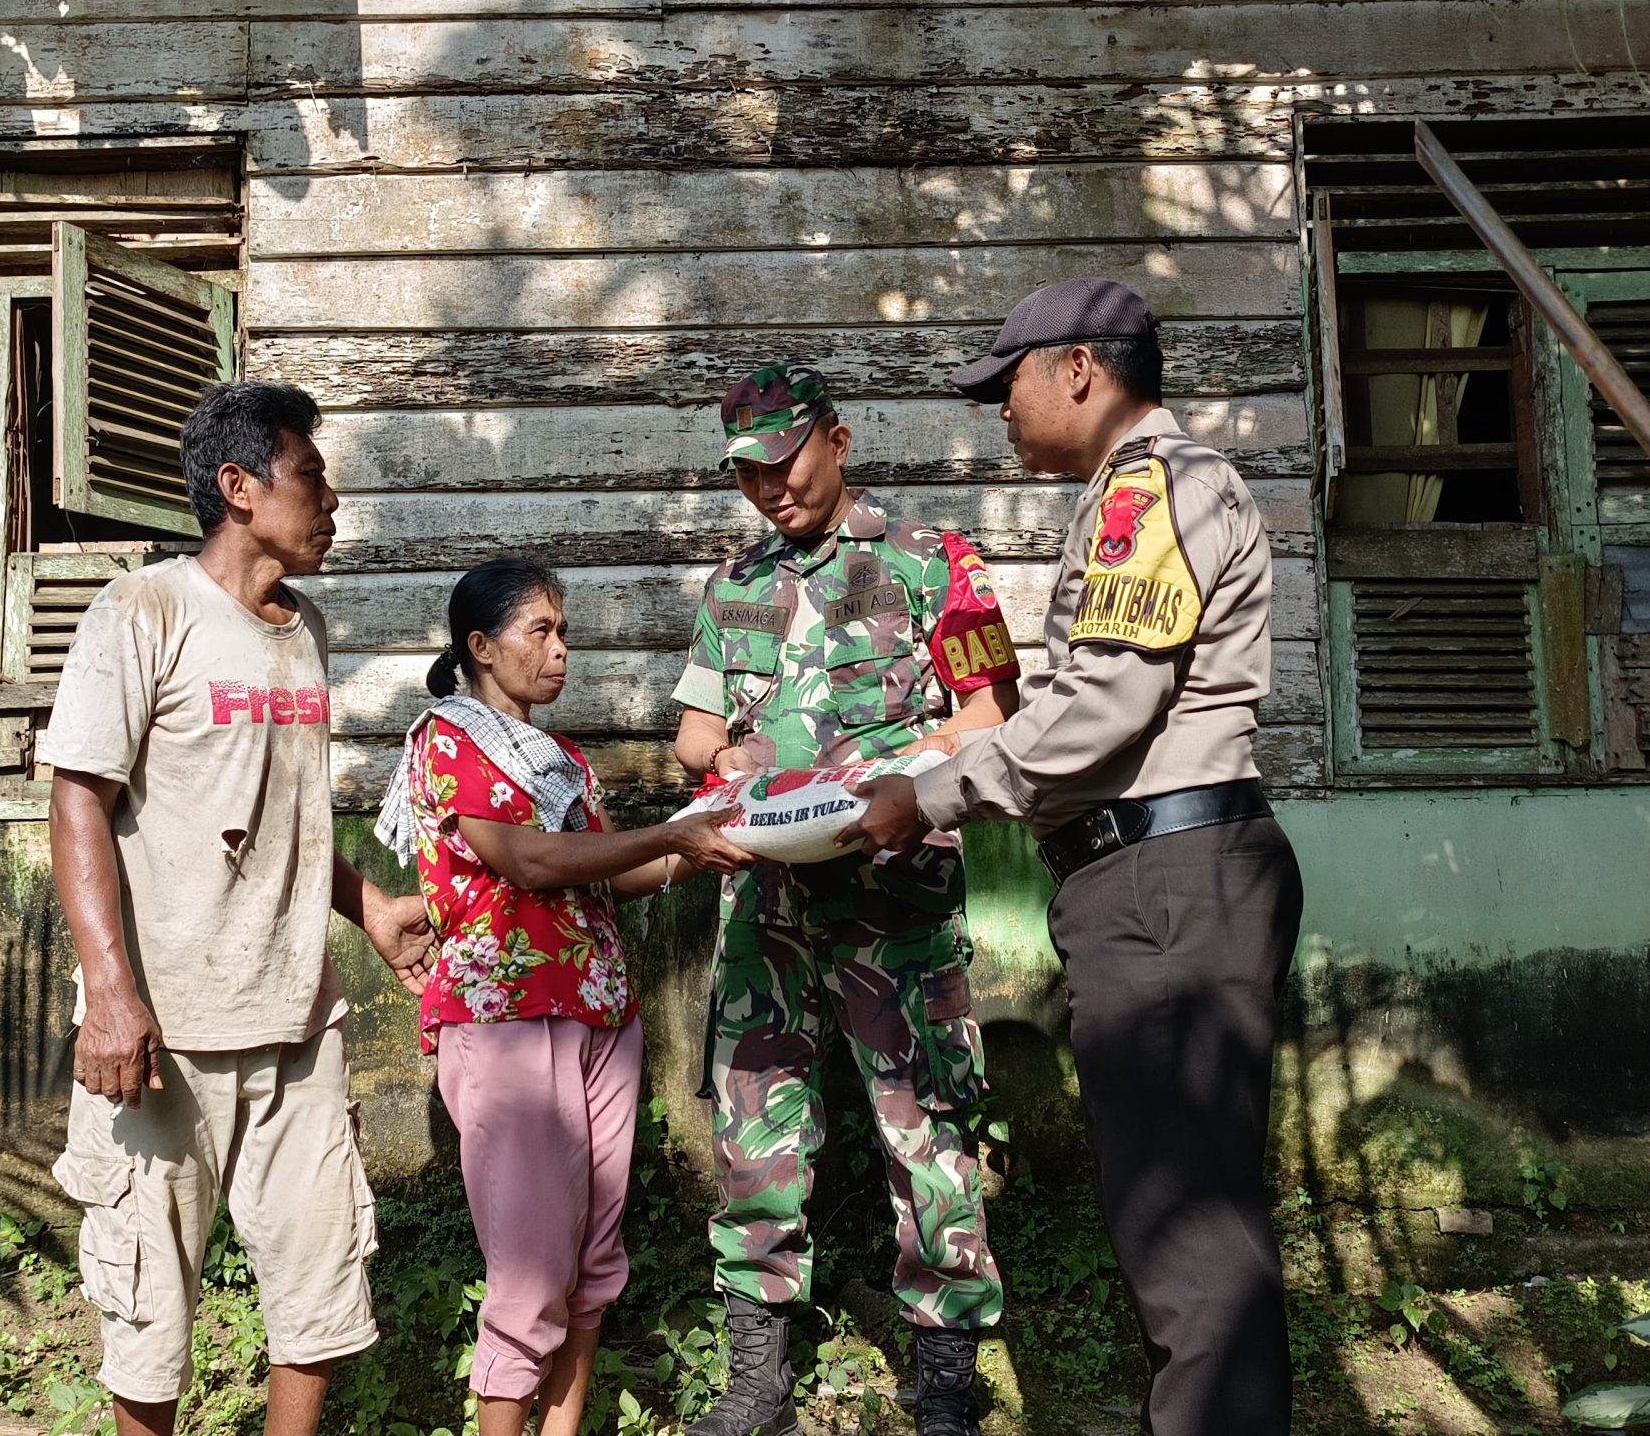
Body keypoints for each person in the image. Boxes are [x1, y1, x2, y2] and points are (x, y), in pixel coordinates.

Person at [843, 279, 1307, 1436]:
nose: (1000, 409)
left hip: (1164, 882)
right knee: (1194, 1221)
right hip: (1164, 877)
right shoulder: (1144, 488)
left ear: (1079, 372)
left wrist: (933, 791)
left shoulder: (1150, 488)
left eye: (1009, 383)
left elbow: (1104, 705)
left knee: (1186, 1231)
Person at [40, 381, 436, 1436]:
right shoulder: (144, 611)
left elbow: (278, 818)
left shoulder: (303, 629)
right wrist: (111, 998)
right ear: (238, 488)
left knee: (319, 1282)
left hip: (297, 1022)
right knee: (147, 1297)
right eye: (310, 475)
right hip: (165, 1028)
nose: (332, 497)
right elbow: (78, 799)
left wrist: (370, 905)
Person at [668, 365, 1022, 1436]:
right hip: (767, 909)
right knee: (754, 1135)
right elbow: (691, 732)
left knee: (929, 1136)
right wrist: (727, 753)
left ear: (838, 439)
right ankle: (758, 1379)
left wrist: (895, 775)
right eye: (747, 473)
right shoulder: (732, 585)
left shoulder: (934, 565)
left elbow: (988, 715)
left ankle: (947, 1382)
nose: (768, 487)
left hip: (896, 910)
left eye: (783, 460)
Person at [373, 558, 752, 1436]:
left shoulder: (562, 758)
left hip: (600, 1014)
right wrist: (671, 834)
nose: (561, 650)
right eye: (539, 631)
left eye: (564, 631)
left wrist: (721, 833)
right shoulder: (449, 741)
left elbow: (620, 874)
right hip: (505, 1024)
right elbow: (526, 859)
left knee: (592, 1259)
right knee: (531, 1272)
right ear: (481, 646)